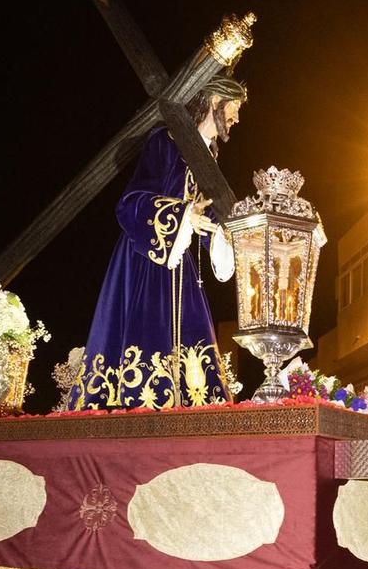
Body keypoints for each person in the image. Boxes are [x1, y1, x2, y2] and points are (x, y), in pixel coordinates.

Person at [74, 76, 249, 408]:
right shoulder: (167, 141)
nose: (237, 118)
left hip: (180, 261)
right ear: (214, 101)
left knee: (193, 334)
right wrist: (181, 216)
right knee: (149, 331)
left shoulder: (207, 156)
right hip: (147, 256)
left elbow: (206, 212)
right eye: (235, 108)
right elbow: (131, 202)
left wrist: (225, 229)